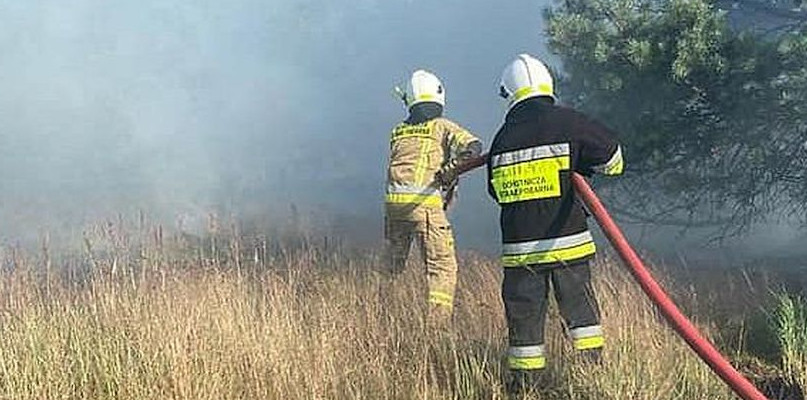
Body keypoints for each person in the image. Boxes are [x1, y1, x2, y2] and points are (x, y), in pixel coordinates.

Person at [486, 54, 624, 394]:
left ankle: (525, 388)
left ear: (509, 93)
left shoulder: (502, 139)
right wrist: (577, 166)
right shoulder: (569, 123)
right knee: (582, 319)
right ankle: (592, 379)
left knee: (525, 327)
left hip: (520, 254)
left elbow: (495, 190)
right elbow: (614, 159)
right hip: (568, 245)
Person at [385, 69, 482, 326]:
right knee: (442, 268)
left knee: (393, 267)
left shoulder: (398, 131)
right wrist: (450, 170)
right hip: (424, 206)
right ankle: (436, 329)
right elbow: (473, 147)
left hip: (394, 207)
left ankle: (384, 314)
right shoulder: (441, 126)